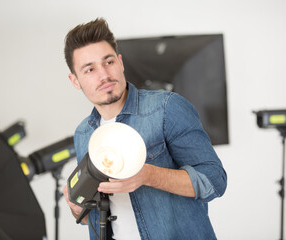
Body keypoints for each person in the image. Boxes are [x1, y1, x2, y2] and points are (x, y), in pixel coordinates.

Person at [62, 18, 227, 240]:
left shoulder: (167, 107)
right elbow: (90, 218)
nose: (104, 75)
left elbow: (215, 181)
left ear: (120, 63)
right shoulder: (83, 133)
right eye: (89, 69)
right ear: (75, 81)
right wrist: (76, 206)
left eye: (108, 62)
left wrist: (147, 175)